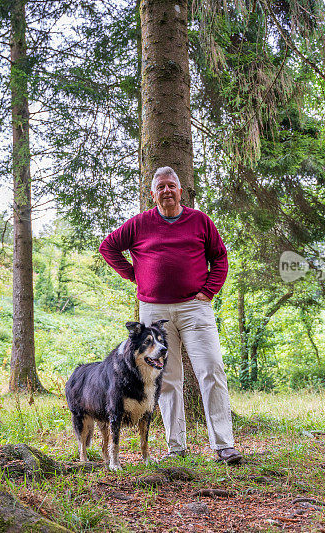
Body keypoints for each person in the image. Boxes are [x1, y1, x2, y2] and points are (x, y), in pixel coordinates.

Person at [99, 166, 243, 465]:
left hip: (195, 306)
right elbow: (108, 247)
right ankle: (176, 447)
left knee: (211, 369)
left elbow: (219, 258)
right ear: (153, 194)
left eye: (171, 185)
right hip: (154, 310)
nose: (166, 190)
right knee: (167, 379)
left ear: (181, 190)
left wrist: (209, 290)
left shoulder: (200, 221)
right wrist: (134, 275)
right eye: (160, 186)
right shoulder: (140, 224)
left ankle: (224, 445)